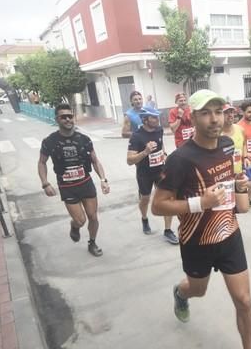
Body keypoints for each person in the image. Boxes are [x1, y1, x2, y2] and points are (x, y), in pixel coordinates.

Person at [152, 89, 251, 349]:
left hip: (229, 234)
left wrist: (240, 184)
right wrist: (199, 204)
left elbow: (235, 192)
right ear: (192, 117)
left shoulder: (227, 145)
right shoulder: (180, 159)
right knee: (198, 290)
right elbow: (158, 205)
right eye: (206, 113)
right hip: (196, 241)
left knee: (244, 300)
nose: (214, 119)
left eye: (219, 112)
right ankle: (181, 294)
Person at [38, 104, 110, 257]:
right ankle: (74, 226)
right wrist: (45, 183)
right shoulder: (49, 141)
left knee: (93, 217)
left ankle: (92, 242)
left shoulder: (84, 139)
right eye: (63, 117)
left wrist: (103, 179)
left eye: (70, 116)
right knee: (81, 220)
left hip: (86, 183)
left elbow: (95, 161)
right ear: (57, 119)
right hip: (67, 187)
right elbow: (42, 162)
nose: (67, 119)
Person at [126, 106, 178, 244]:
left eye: (157, 117)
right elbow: (129, 161)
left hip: (160, 170)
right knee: (145, 199)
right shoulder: (136, 136)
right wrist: (145, 152)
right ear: (145, 119)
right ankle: (144, 218)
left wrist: (164, 154)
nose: (157, 120)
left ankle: (167, 231)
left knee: (169, 198)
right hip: (144, 174)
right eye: (154, 117)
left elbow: (161, 146)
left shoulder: (159, 130)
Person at [221, 103, 247, 176]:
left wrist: (245, 157)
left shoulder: (240, 129)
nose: (230, 115)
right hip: (224, 177)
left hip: (239, 173)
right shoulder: (216, 134)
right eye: (226, 113)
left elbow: (244, 144)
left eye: (231, 112)